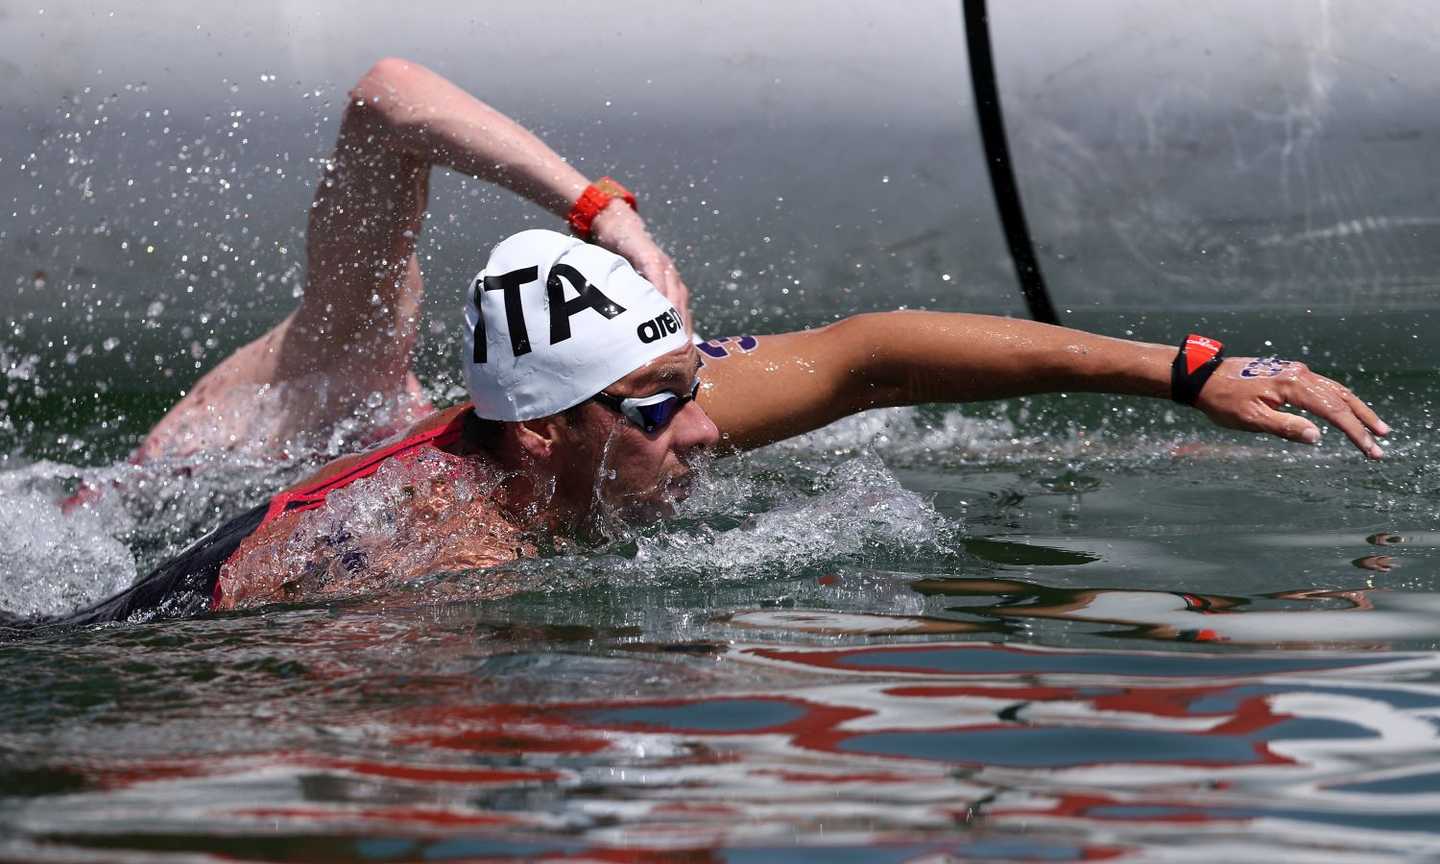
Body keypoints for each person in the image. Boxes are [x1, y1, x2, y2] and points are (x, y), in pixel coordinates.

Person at [36, 59, 1390, 628]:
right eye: (656, 411)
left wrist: (1191, 367)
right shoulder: (403, 542)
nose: (702, 429)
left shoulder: (617, 406)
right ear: (544, 430)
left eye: (689, 389)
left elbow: (875, 354)